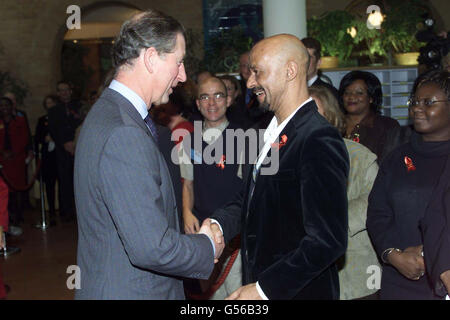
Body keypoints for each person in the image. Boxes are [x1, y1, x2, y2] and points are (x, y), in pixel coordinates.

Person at [74, 9, 223, 300]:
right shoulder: (124, 132)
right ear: (152, 58)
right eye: (178, 62)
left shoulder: (110, 113)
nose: (182, 76)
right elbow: (151, 247)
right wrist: (207, 245)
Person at [209, 34, 350, 300]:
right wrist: (219, 224)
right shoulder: (267, 132)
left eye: (257, 72)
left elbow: (327, 241)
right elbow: (253, 199)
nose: (250, 83)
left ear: (290, 71)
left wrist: (264, 290)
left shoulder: (317, 138)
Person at [366, 70, 450, 299]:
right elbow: (377, 213)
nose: (417, 108)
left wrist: (431, 254)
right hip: (400, 279)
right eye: (414, 102)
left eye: (428, 102)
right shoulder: (397, 157)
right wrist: (393, 254)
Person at [309, 85, 380, 300]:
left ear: (330, 117)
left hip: (354, 275)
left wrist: (326, 222)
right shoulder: (280, 158)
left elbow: (374, 202)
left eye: (312, 113)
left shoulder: (360, 157)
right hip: (302, 277)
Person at [180, 77, 245, 298]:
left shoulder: (246, 139)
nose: (212, 102)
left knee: (235, 293)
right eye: (204, 97)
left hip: (236, 234)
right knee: (208, 294)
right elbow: (188, 184)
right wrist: (187, 212)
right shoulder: (189, 141)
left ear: (228, 100)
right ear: (197, 104)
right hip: (203, 233)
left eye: (218, 95)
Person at [338, 70, 399, 161]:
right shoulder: (334, 123)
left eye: (359, 93)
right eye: (347, 93)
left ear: (371, 98)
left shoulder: (386, 126)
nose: (351, 97)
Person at [47, 81, 83, 222]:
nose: (64, 93)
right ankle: (66, 210)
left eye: (66, 90)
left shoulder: (79, 107)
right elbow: (54, 130)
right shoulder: (54, 110)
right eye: (61, 90)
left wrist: (75, 142)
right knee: (65, 180)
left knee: (79, 180)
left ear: (70, 91)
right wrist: (65, 143)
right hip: (63, 151)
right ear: (58, 93)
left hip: (79, 147)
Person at [0, 96, 30, 234]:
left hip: (16, 159)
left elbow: (24, 138)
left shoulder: (20, 120)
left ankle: (18, 214)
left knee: (18, 187)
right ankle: (8, 216)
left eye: (7, 105)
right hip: (3, 160)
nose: (4, 108)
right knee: (5, 189)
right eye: (2, 105)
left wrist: (14, 152)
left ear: (12, 107)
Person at [34, 94, 59, 225]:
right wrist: (45, 139)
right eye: (47, 103)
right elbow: (37, 137)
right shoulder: (42, 120)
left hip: (59, 156)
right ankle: (52, 212)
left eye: (52, 103)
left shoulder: (61, 118)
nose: (50, 105)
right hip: (48, 158)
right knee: (49, 185)